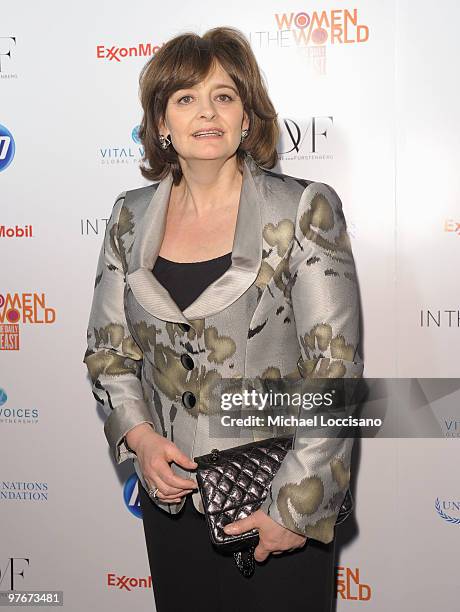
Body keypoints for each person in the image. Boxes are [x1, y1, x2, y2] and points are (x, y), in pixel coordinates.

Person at [83, 26, 364, 612]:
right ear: (161, 123)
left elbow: (333, 374)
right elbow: (109, 353)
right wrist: (139, 439)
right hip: (173, 501)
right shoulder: (127, 218)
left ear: (246, 118)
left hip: (273, 501)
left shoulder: (304, 207)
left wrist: (295, 505)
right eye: (185, 98)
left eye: (224, 96)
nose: (205, 112)